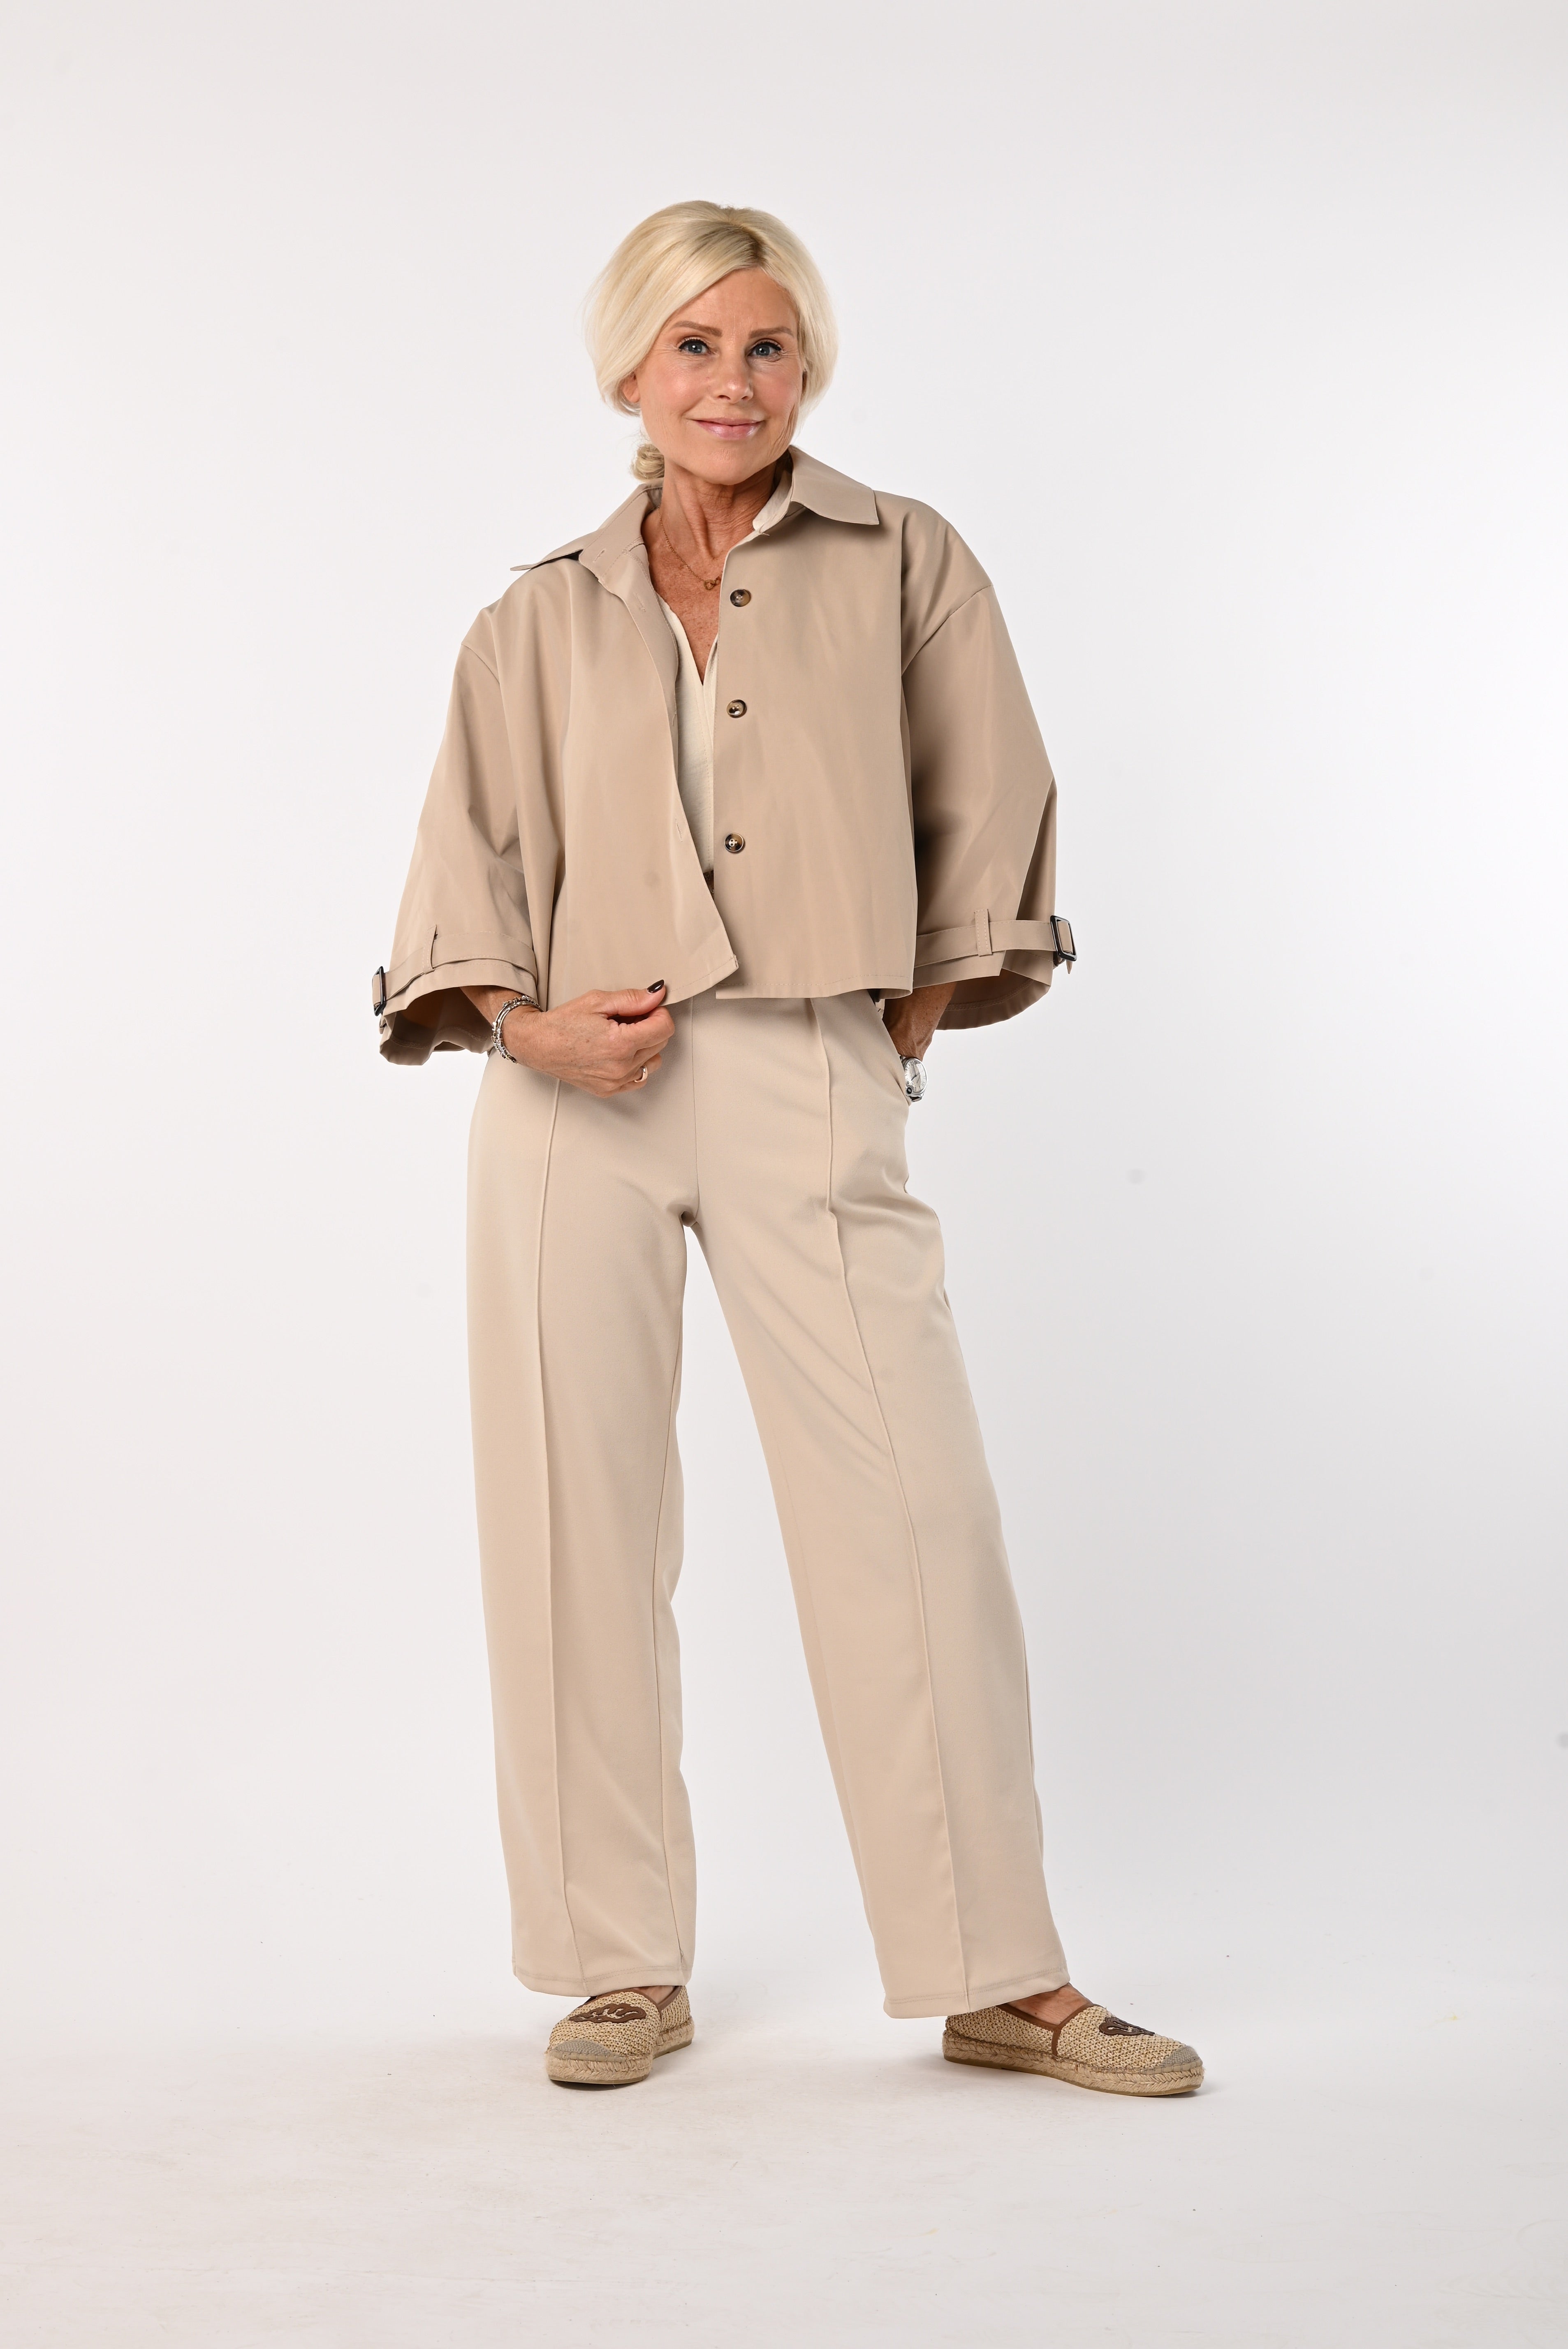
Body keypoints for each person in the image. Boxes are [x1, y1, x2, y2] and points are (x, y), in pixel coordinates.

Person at [374, 201, 1201, 2099]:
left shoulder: (907, 560)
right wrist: (523, 1027)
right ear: (629, 369)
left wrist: (890, 1027)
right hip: (568, 1093)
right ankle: (616, 1965)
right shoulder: (533, 615)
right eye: (694, 345)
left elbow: (989, 798)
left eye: (766, 345)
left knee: (912, 1518)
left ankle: (1003, 1976)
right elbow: (462, 853)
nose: (733, 382)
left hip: (809, 1065)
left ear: (807, 364)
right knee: (571, 1524)